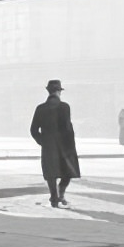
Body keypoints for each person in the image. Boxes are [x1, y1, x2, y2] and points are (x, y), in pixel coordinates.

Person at [30, 79, 80, 208]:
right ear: (59, 91)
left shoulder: (40, 108)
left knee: (51, 173)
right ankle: (61, 194)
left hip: (48, 146)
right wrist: (70, 144)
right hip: (64, 145)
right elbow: (68, 128)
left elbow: (33, 130)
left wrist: (43, 142)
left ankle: (54, 197)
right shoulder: (64, 107)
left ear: (48, 91)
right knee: (68, 171)